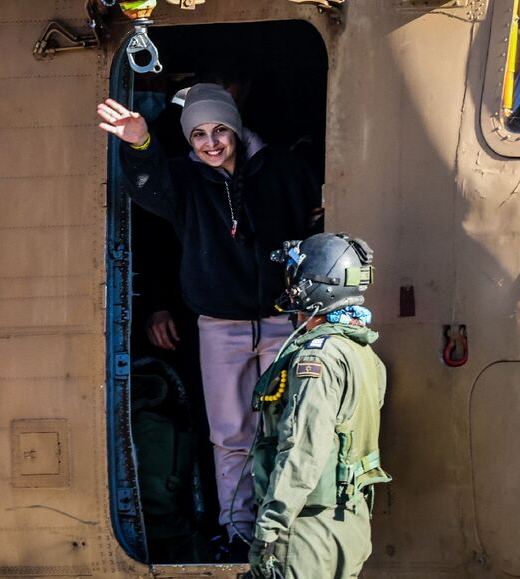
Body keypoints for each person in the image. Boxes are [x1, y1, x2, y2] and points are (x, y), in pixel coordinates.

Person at [98, 83, 323, 558]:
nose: (211, 142)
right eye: (198, 134)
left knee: (283, 430)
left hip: (283, 320)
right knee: (230, 435)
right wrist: (139, 143)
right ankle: (239, 529)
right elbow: (148, 185)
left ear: (237, 130)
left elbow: (314, 222)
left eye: (220, 129)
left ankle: (281, 528)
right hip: (220, 326)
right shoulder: (184, 179)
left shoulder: (281, 168)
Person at [247, 232, 392, 579]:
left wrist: (269, 528)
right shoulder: (364, 354)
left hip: (305, 533)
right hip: (349, 528)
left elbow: (303, 451)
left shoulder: (317, 358)